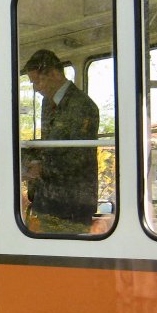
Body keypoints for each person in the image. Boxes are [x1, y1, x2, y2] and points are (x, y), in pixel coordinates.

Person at [22, 49, 99, 232]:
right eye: (33, 83)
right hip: (47, 199)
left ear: (55, 74)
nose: (36, 88)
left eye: (38, 81)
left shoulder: (82, 106)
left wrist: (41, 169)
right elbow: (48, 146)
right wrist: (25, 158)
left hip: (73, 203)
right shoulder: (48, 104)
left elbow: (79, 155)